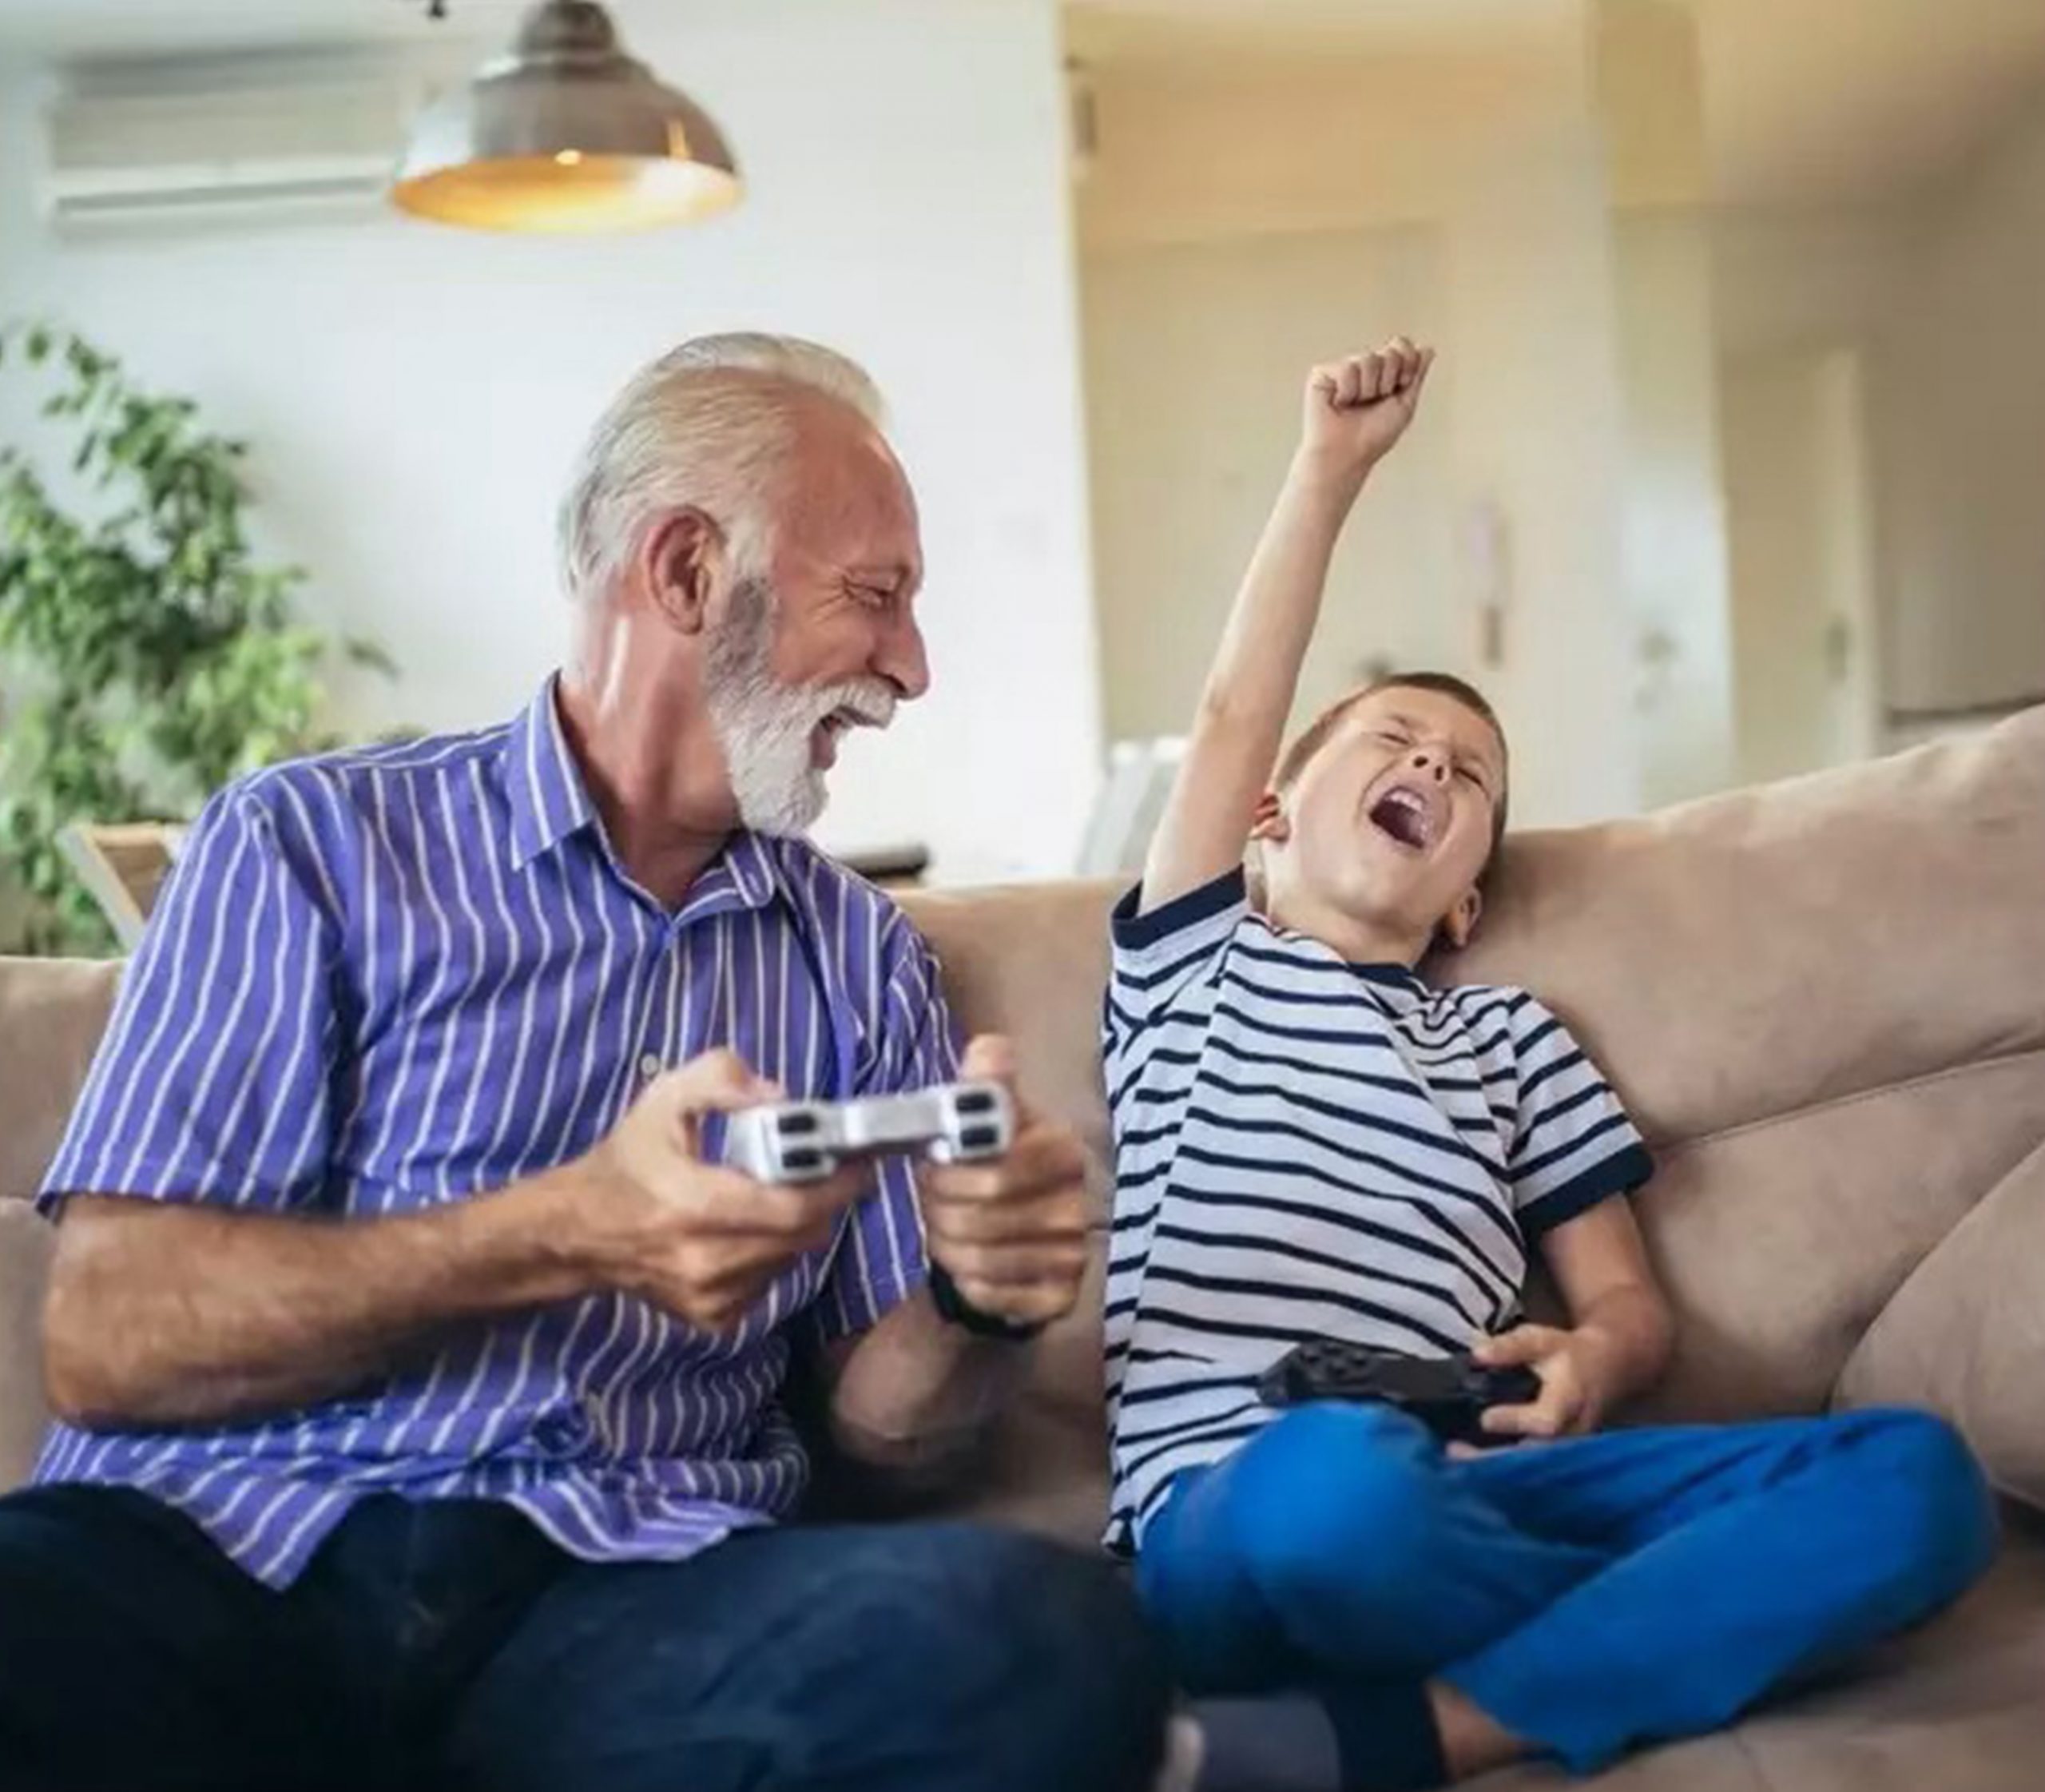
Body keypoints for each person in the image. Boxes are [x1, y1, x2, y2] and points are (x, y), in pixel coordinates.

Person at [0, 333, 1169, 1792]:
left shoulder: (858, 958)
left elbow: (888, 1441)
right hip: (227, 1561)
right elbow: (107, 1341)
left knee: (1044, 1646)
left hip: (620, 1608)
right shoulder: (309, 845)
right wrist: (570, 1227)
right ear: (685, 572)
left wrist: (978, 1301)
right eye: (874, 598)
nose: (912, 669)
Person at [1099, 336, 1997, 1792]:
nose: (1438, 772)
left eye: (1473, 781)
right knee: (1335, 1495)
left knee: (1919, 1485)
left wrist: (1595, 1360)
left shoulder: (1510, 1038)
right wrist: (1331, 470)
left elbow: (1628, 1305)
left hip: (1490, 1487)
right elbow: (1224, 715)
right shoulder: (1194, 965)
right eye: (1397, 741)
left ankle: (1430, 1729)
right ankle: (1646, 1640)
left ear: (1467, 899)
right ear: (1265, 819)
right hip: (1236, 1499)